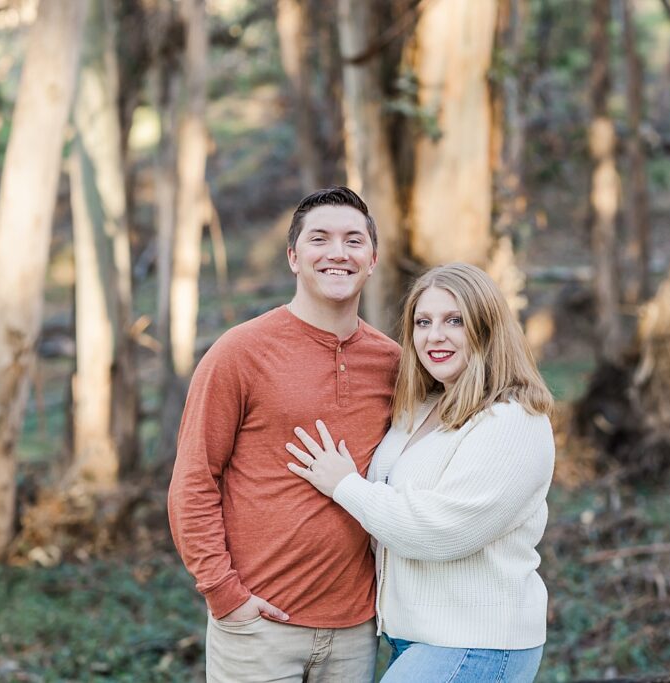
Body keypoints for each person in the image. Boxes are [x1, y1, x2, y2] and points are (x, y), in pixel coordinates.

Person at [167, 187, 401, 682]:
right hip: (259, 628)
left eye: (353, 241)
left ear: (372, 259)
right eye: (320, 239)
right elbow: (193, 480)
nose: (338, 253)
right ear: (294, 257)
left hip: (357, 627)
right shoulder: (239, 352)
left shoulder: (392, 363)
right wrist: (224, 594)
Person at [286, 262, 555, 682]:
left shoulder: (513, 420)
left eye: (454, 321)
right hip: (414, 638)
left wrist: (344, 485)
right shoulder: (424, 409)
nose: (435, 336)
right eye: (423, 322)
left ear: (487, 328)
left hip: (476, 643)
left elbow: (442, 529)